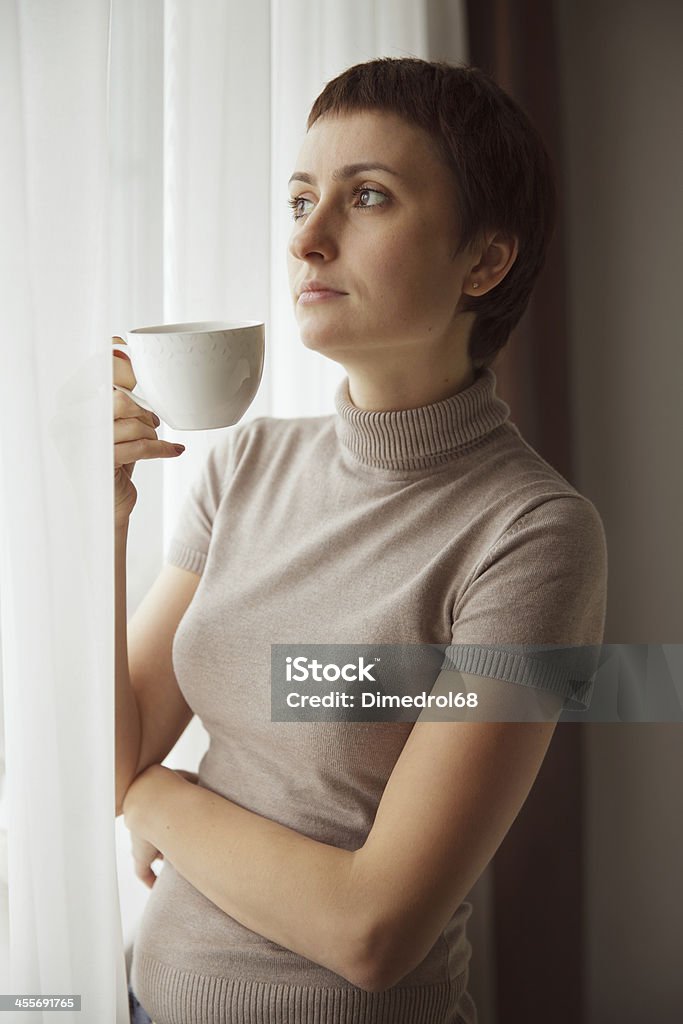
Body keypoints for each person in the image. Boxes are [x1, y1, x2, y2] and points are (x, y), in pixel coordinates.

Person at [114, 58, 607, 1024]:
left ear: (483, 261)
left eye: (366, 197)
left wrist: (160, 800)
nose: (305, 239)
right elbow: (115, 746)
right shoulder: (243, 465)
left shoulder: (535, 536)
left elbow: (372, 933)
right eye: (299, 198)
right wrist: (107, 512)